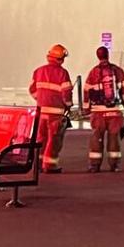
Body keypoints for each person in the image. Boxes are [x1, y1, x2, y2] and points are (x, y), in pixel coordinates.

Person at [30, 44, 74, 173]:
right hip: (56, 113)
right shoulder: (63, 73)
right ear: (60, 59)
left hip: (41, 111)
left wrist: (41, 99)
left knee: (40, 139)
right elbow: (66, 93)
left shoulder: (38, 71)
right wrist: (68, 105)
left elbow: (32, 90)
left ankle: (38, 164)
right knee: (54, 140)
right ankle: (49, 166)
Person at [85, 46, 124, 172]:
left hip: (98, 112)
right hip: (115, 111)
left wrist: (86, 108)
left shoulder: (93, 72)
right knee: (114, 137)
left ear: (98, 56)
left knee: (96, 137)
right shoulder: (118, 71)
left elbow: (87, 91)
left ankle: (94, 166)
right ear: (108, 55)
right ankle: (114, 165)